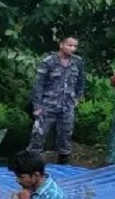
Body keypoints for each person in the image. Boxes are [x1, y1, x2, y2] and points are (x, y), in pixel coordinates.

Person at [29, 37, 86, 165]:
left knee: (65, 135)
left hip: (67, 106)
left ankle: (63, 163)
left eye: (75, 46)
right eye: (69, 45)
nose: (73, 49)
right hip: (47, 105)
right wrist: (37, 106)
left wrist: (77, 98)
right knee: (39, 135)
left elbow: (81, 82)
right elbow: (38, 85)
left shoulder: (77, 62)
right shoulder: (49, 62)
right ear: (61, 45)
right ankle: (31, 164)